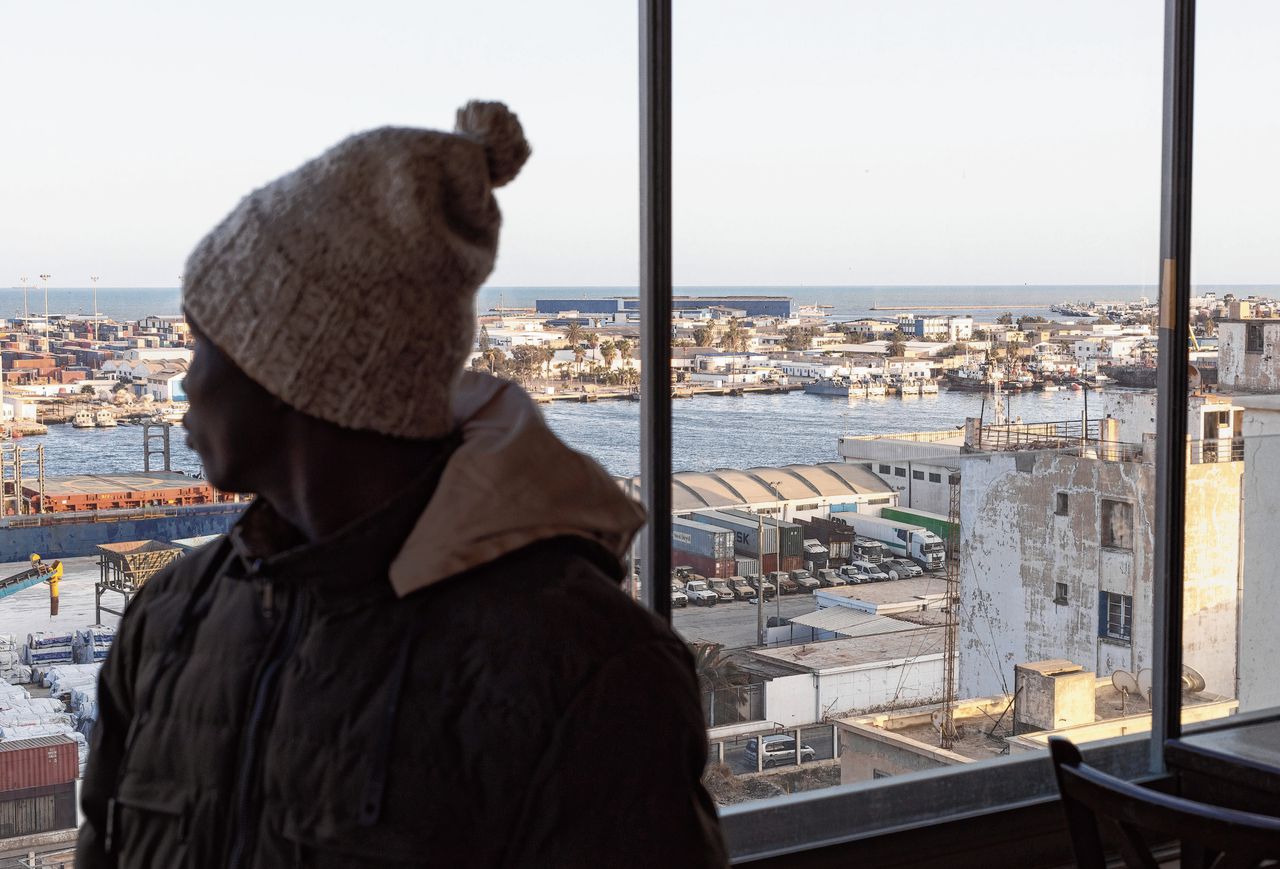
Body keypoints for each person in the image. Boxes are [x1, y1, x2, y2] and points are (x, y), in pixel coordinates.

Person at [78, 101, 727, 868]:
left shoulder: (586, 671)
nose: (184, 383)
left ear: (293, 374)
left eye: (202, 344)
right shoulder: (169, 618)